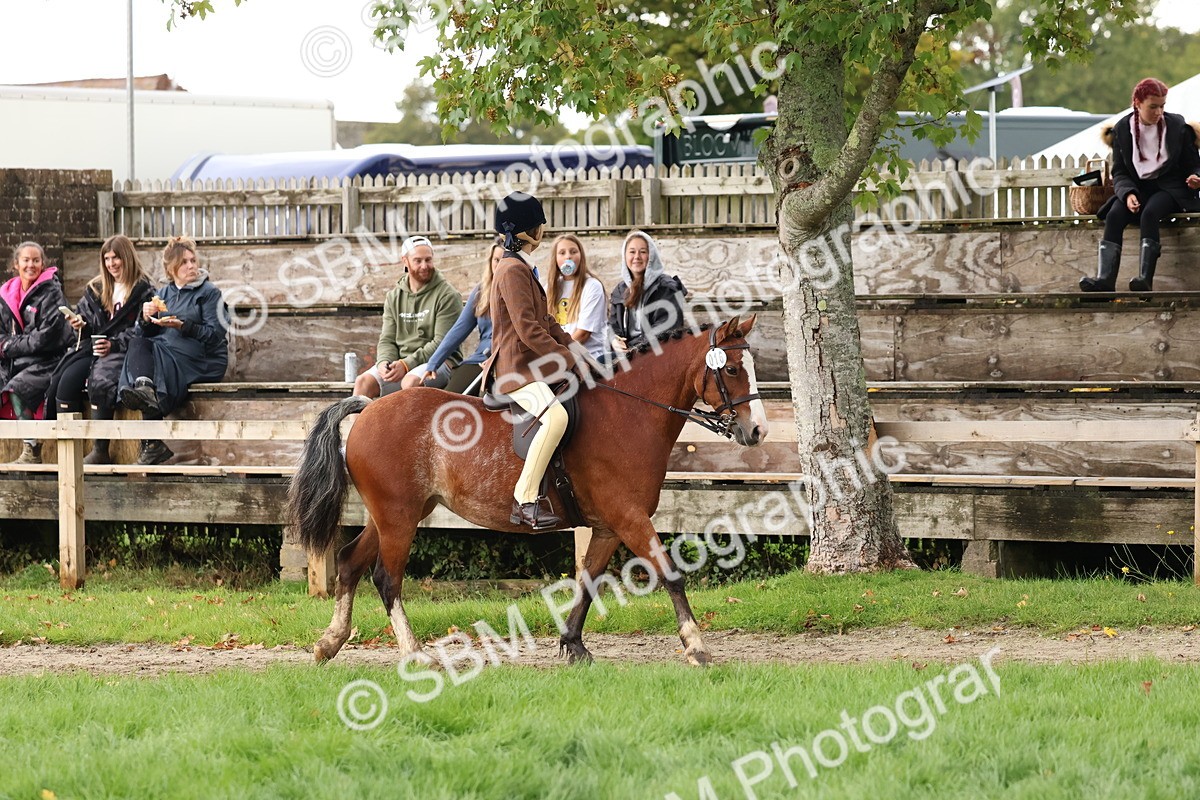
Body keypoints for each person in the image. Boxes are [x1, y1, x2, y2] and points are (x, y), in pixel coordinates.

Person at [482, 192, 577, 530]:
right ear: (524, 230)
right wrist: (565, 358)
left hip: (531, 366)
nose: (542, 229)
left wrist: (577, 352)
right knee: (555, 417)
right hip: (515, 371)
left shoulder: (522, 266)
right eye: (538, 224)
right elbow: (527, 330)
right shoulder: (511, 270)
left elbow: (548, 321)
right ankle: (524, 500)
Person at [1081, 77, 1200, 292]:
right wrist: (1127, 194)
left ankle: (1145, 280)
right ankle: (1105, 281)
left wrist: (1195, 178)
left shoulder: (1177, 126)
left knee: (1150, 213)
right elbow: (1120, 172)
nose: (1159, 112)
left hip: (1171, 188)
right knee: (1115, 214)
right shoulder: (1122, 129)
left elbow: (1193, 165)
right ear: (1137, 103)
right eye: (1153, 107)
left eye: (1162, 106)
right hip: (1138, 188)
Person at [118, 236, 228, 465]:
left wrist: (183, 326)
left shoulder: (209, 293)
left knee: (153, 363)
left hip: (203, 358)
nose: (191, 266)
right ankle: (145, 394)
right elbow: (146, 334)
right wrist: (145, 318)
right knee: (138, 344)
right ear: (171, 268)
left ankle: (151, 442)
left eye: (192, 260)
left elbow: (216, 335)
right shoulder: (163, 294)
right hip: (171, 352)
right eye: (184, 262)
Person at [45, 235, 155, 464]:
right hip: (92, 349)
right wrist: (81, 324)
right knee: (64, 382)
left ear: (127, 258)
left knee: (101, 380)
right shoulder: (96, 288)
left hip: (124, 351)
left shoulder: (144, 290)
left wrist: (114, 344)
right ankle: (68, 452)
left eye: (116, 258)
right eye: (107, 258)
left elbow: (143, 328)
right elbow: (87, 321)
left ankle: (100, 449)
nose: (112, 264)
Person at [352, 235, 463, 398]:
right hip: (401, 362)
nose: (425, 266)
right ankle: (357, 425)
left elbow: (442, 344)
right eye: (418, 260)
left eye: (428, 260)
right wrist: (384, 362)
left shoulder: (448, 295)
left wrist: (406, 364)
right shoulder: (394, 296)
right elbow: (387, 339)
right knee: (363, 382)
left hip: (440, 362)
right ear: (405, 261)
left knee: (410, 382)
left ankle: (405, 424)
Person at [0, 241, 73, 463]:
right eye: (26, 260)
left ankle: (31, 450)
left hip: (49, 359)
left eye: (36, 260)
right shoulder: (5, 295)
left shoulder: (52, 293)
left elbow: (45, 337)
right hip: (14, 360)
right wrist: (10, 346)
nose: (31, 265)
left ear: (43, 264)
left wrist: (10, 346)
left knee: (18, 386)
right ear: (16, 264)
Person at [407, 240, 502, 396]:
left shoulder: (519, 289)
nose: (499, 265)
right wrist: (433, 363)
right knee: (450, 400)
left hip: (508, 359)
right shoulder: (481, 291)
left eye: (504, 260)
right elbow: (458, 330)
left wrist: (499, 357)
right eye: (496, 260)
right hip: (480, 359)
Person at [609, 230, 688, 352]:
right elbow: (613, 327)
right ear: (625, 256)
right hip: (628, 353)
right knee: (600, 362)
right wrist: (614, 341)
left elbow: (665, 329)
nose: (637, 257)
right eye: (632, 252)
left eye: (643, 252)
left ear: (651, 256)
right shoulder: (620, 290)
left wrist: (633, 348)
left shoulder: (666, 288)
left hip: (656, 353)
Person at [546, 233, 609, 361]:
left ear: (581, 256)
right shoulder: (548, 288)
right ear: (555, 258)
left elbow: (583, 334)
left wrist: (557, 356)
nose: (568, 256)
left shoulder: (592, 286)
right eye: (562, 253)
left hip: (588, 358)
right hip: (560, 358)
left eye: (573, 251)